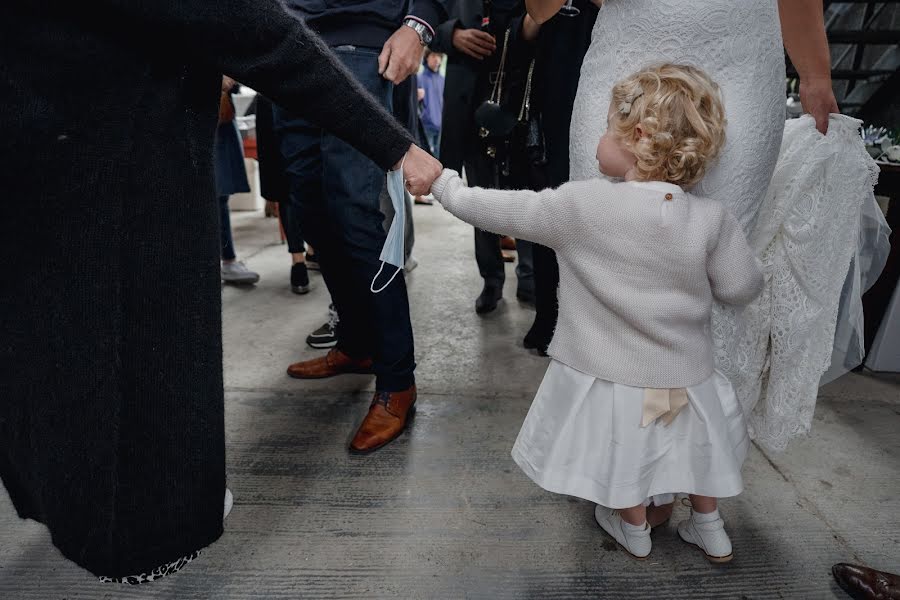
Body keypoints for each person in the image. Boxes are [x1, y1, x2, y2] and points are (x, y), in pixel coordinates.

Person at [0, 0, 440, 582]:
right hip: (117, 153)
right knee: (130, 335)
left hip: (40, 130)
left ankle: (389, 373)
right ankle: (144, 537)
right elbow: (256, 29)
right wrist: (395, 144)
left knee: (48, 330)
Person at [432, 64, 763, 561]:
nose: (599, 139)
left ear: (638, 136)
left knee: (626, 451)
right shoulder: (711, 218)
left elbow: (501, 209)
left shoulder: (583, 205)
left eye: (608, 128)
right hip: (685, 377)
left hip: (616, 377)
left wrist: (445, 186)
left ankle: (633, 530)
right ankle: (710, 526)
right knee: (695, 448)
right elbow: (741, 287)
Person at [527, 0, 843, 451]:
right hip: (630, 56)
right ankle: (615, 448)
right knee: (604, 254)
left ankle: (678, 454)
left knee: (714, 272)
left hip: (740, 60)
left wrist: (814, 75)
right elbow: (539, 10)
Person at [275, 0, 446, 455]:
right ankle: (356, 343)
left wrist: (419, 25)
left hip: (363, 46)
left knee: (355, 213)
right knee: (310, 211)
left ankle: (396, 379)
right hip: (289, 46)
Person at [430, 0, 536, 314]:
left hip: (518, 99)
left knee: (527, 195)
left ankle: (529, 277)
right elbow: (425, 24)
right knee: (479, 197)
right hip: (469, 103)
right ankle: (491, 280)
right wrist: (453, 35)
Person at [252, 94, 311, 294]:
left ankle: (306, 255)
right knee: (289, 183)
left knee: (302, 179)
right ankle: (300, 259)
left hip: (290, 91)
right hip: (281, 94)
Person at [217, 77, 261, 286]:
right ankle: (226, 260)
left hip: (220, 109)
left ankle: (228, 260)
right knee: (214, 195)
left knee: (220, 194)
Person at [419, 50, 445, 158]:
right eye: (434, 55)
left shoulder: (443, 80)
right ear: (427, 57)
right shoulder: (419, 78)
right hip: (427, 125)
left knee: (440, 158)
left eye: (439, 56)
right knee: (427, 158)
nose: (437, 59)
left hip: (441, 127)